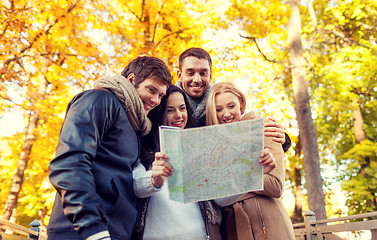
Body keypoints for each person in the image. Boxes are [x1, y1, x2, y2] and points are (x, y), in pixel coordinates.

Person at [47, 56, 172, 240]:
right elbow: (69, 163)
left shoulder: (135, 126)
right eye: (151, 90)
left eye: (160, 95)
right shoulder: (99, 100)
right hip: (83, 231)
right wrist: (92, 228)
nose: (155, 100)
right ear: (131, 80)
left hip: (114, 232)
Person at [131, 85, 277, 240]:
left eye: (182, 108)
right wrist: (154, 179)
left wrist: (255, 170)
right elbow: (135, 185)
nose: (179, 115)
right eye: (170, 110)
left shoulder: (198, 148)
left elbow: (220, 199)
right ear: (158, 113)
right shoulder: (142, 148)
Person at [206, 82, 295, 240]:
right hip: (232, 226)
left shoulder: (265, 129)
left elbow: (275, 185)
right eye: (219, 109)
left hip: (268, 225)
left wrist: (230, 179)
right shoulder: (214, 145)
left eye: (231, 106)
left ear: (241, 103)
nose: (226, 114)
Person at [175, 47, 291, 151]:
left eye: (203, 73)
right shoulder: (165, 103)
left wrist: (281, 138)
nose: (197, 79)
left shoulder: (220, 100)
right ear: (180, 75)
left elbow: (243, 128)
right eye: (190, 73)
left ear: (210, 76)